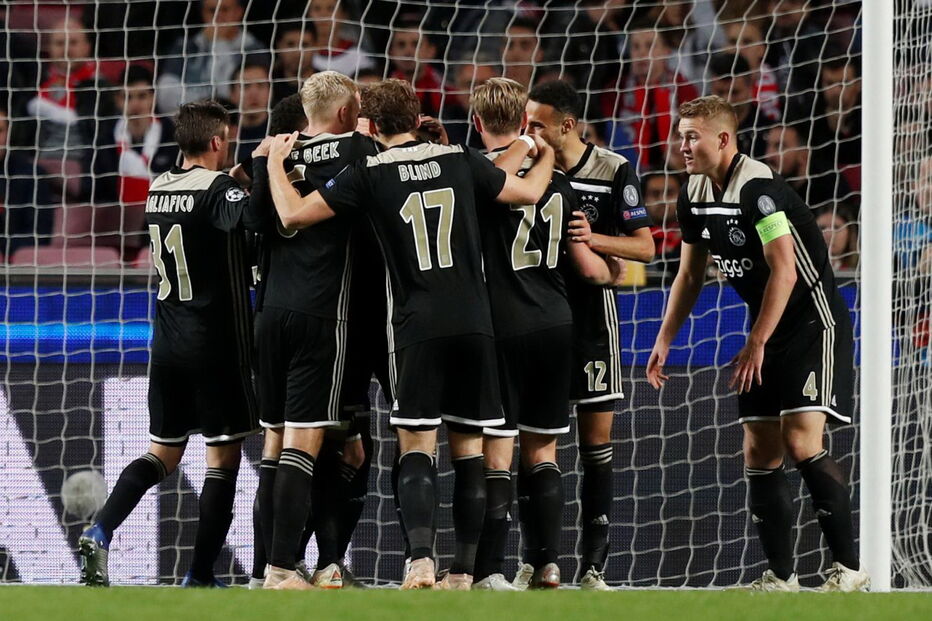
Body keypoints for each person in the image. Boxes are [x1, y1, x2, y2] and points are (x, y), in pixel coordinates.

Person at [265, 78, 556, 590]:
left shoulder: (369, 171)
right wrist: (539, 148)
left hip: (412, 324)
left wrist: (273, 162)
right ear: (419, 115)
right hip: (476, 322)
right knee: (468, 450)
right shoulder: (459, 159)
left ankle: (418, 560)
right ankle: (466, 573)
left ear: (371, 125)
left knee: (414, 444)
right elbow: (526, 189)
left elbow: (291, 215)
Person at [646, 95, 869, 592]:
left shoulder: (761, 191)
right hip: (763, 329)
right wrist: (665, 339)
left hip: (813, 324)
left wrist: (756, 342)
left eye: (691, 136)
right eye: (680, 134)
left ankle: (850, 572)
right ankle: (782, 578)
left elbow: (785, 270)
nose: (681, 144)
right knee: (758, 451)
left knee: (800, 441)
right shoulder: (693, 194)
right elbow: (688, 274)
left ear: (723, 139)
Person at [78, 100, 273, 587]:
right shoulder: (219, 189)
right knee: (223, 457)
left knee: (162, 453)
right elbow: (256, 220)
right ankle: (201, 573)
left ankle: (101, 529)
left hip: (166, 343)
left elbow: (207, 211)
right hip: (216, 345)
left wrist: (232, 180)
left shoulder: (159, 187)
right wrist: (265, 169)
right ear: (215, 141)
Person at [469, 77, 618, 591]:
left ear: (478, 122)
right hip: (557, 324)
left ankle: (489, 568)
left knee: (498, 451)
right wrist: (611, 270)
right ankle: (550, 563)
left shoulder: (479, 174)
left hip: (503, 324)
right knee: (545, 452)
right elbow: (593, 270)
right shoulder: (560, 184)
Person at [253, 73, 382, 591]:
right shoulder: (361, 151)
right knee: (307, 445)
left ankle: (271, 566)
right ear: (350, 111)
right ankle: (282, 569)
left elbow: (257, 224)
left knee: (275, 442)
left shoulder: (271, 153)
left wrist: (272, 162)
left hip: (270, 313)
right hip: (324, 316)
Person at [526, 79, 654, 590]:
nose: (528, 131)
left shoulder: (613, 169)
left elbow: (644, 248)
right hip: (537, 320)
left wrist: (593, 239)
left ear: (567, 125)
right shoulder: (522, 169)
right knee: (536, 445)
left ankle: (594, 567)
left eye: (537, 123)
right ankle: (540, 560)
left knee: (596, 445)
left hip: (594, 325)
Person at [156, 0, 266, 114]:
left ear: (238, 12)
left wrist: (219, 43)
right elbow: (166, 96)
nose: (218, 16)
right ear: (203, 13)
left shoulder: (254, 49)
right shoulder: (185, 47)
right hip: (190, 123)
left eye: (225, 10)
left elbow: (232, 96)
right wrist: (205, 108)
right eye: (212, 11)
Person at [230, 62, 272, 164]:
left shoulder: (282, 131)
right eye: (246, 86)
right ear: (233, 94)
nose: (254, 93)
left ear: (270, 92)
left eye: (260, 85)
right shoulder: (226, 136)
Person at [270, 23, 316, 106]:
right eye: (290, 44)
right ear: (279, 47)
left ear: (316, 47)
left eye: (305, 45)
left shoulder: (329, 85)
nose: (298, 53)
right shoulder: (268, 85)